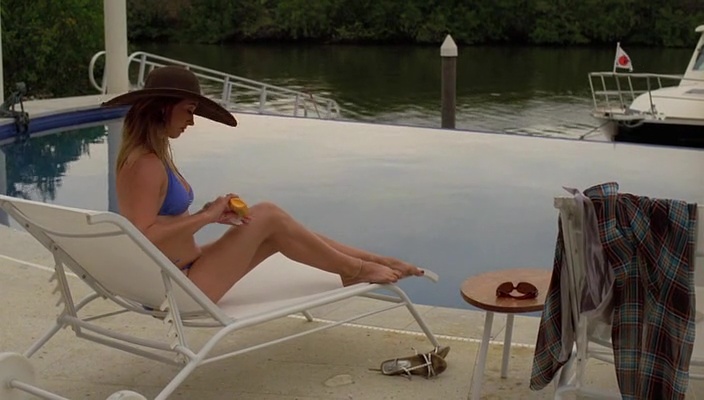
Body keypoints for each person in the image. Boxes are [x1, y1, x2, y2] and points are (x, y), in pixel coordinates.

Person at [101, 65, 424, 303]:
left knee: (273, 227)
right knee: (268, 214)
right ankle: (355, 269)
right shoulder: (145, 164)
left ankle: (373, 262)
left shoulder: (153, 155)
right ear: (163, 107)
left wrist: (210, 213)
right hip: (179, 288)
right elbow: (144, 236)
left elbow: (161, 221)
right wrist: (207, 216)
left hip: (184, 270)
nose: (192, 121)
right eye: (188, 110)